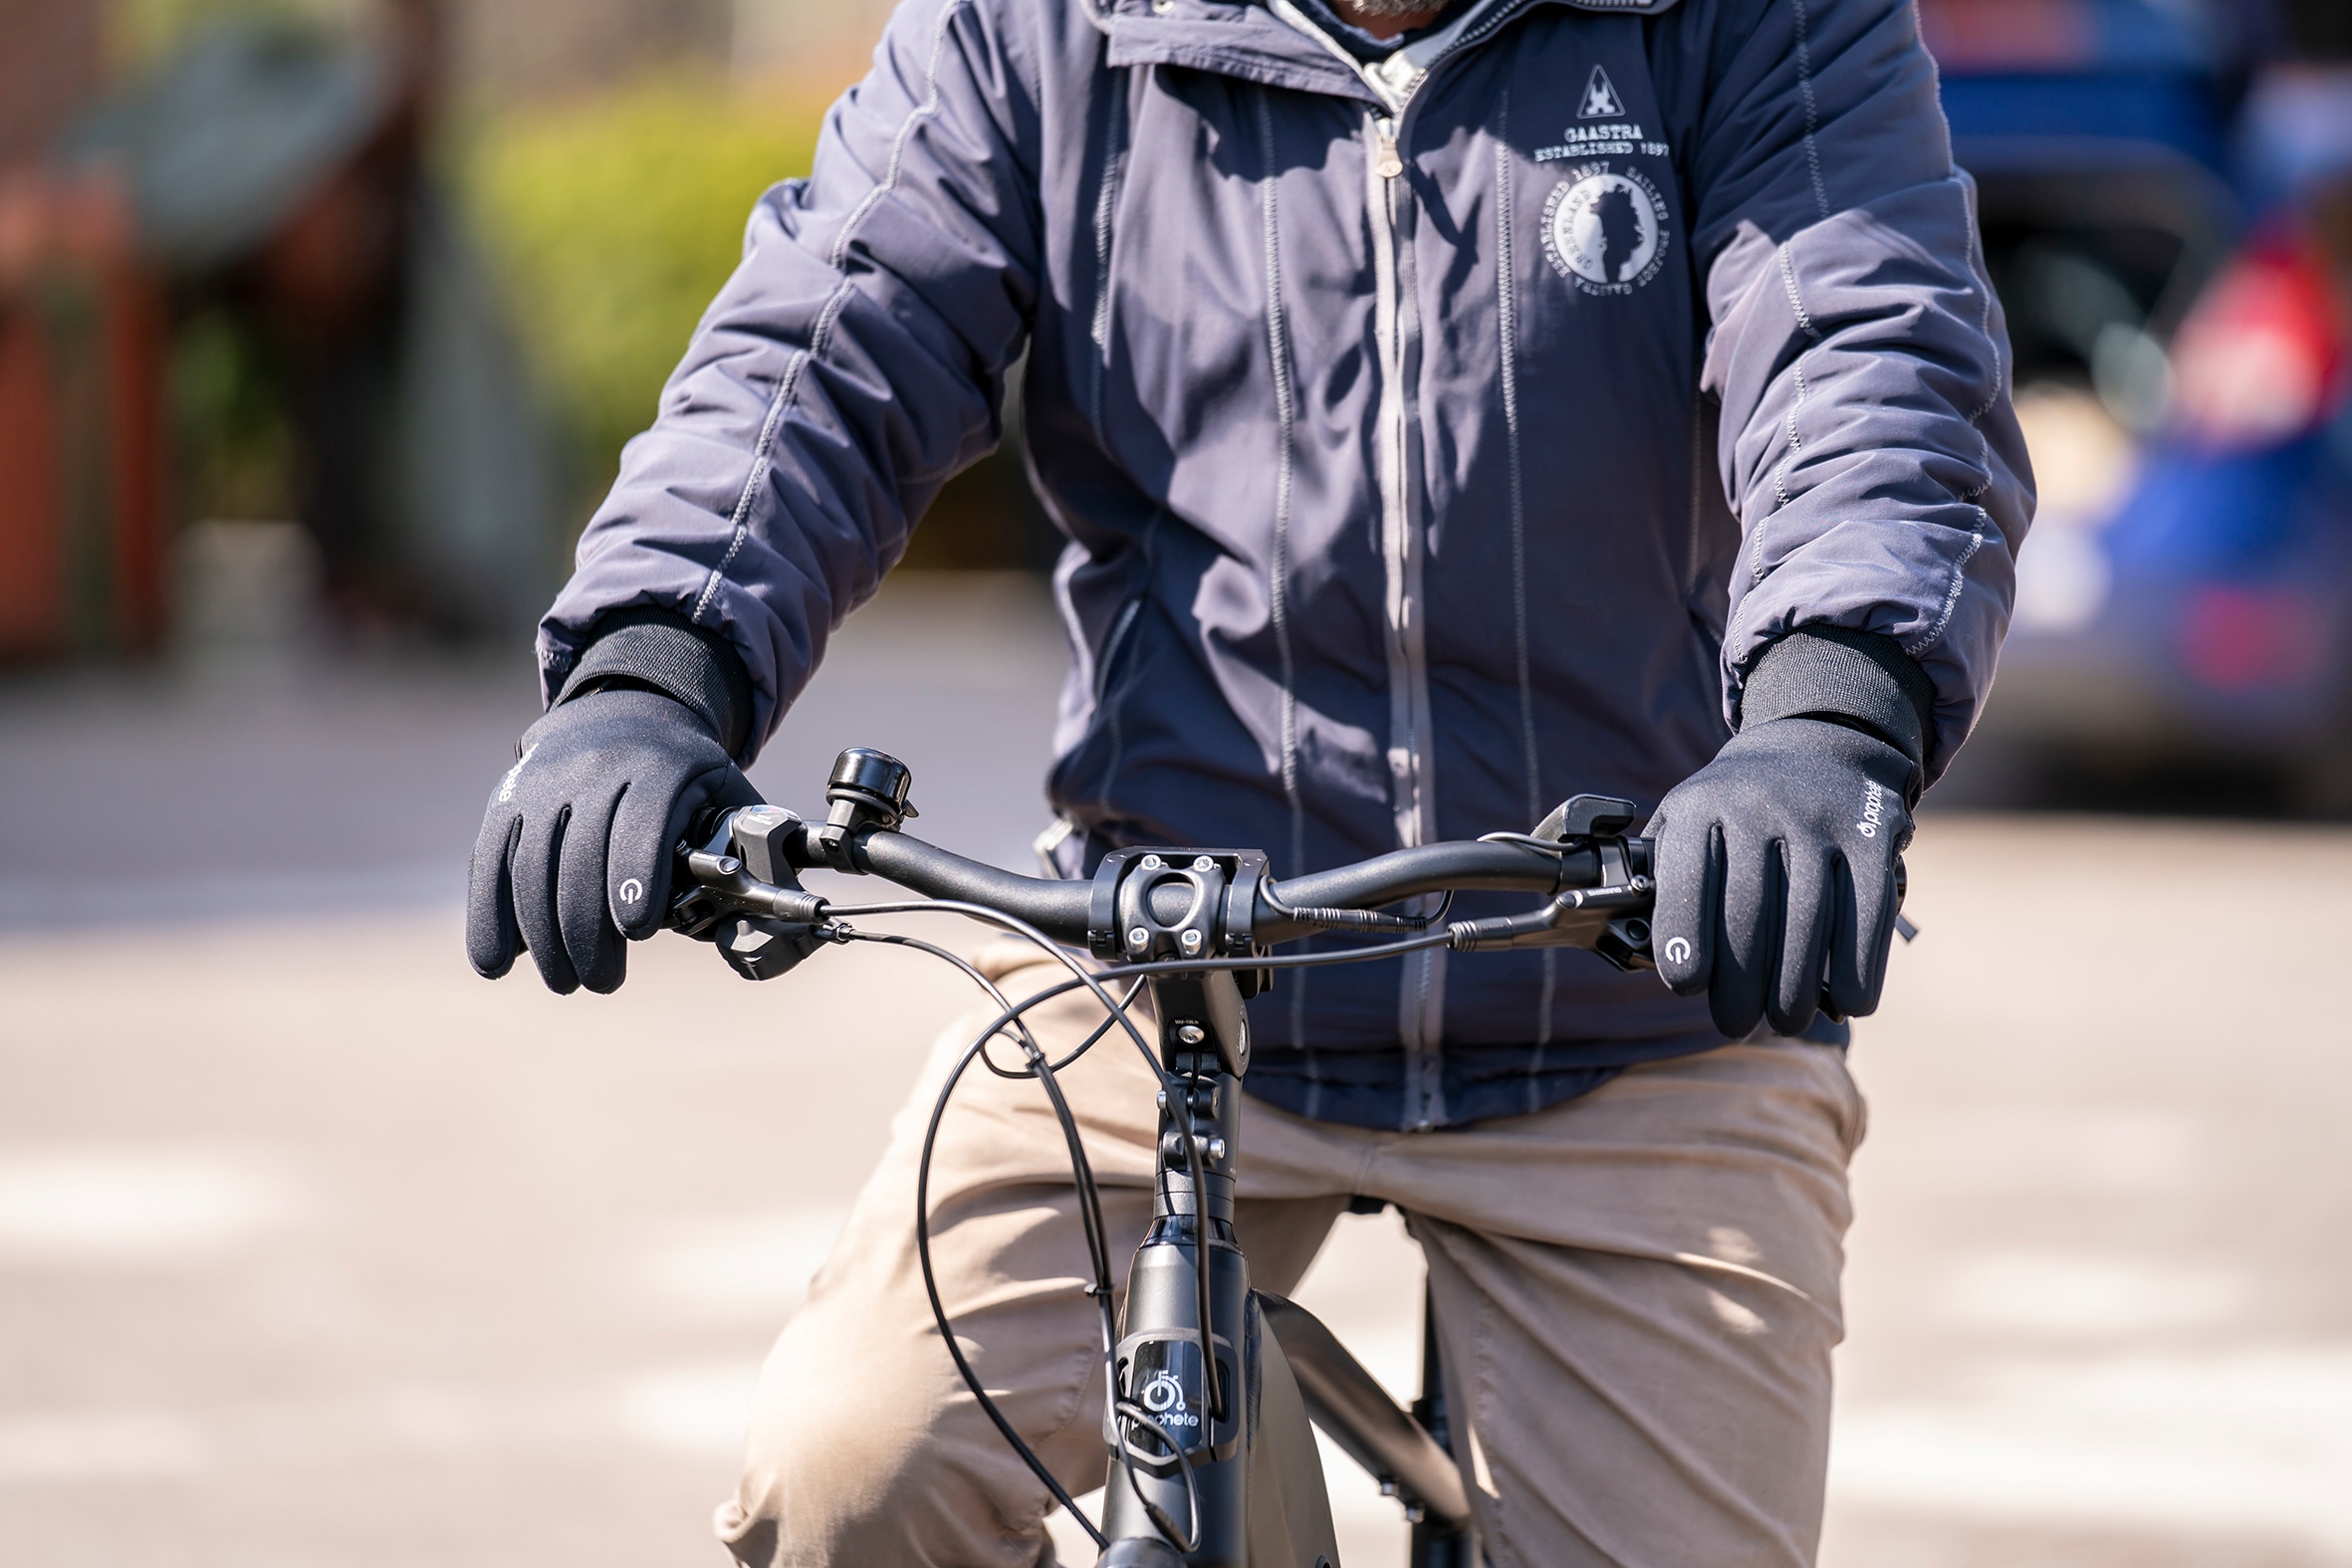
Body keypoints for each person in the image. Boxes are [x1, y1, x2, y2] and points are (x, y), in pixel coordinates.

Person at [466, 0, 2031, 1557]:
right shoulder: (1049, 27)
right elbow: (828, 339)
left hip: (1633, 983)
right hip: (1167, 974)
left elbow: (1865, 352)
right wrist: (649, 673)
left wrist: (1822, 719)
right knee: (855, 1478)